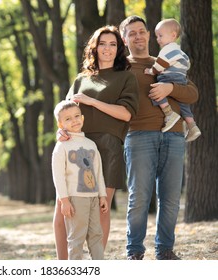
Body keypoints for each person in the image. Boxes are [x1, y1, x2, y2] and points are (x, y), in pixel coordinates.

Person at [53, 25, 139, 259]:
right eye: (103, 44)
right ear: (95, 47)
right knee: (64, 209)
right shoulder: (82, 79)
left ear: (119, 49)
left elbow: (126, 114)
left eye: (113, 44)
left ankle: (95, 266)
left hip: (107, 147)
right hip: (76, 146)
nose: (107, 49)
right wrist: (60, 133)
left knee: (101, 208)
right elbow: (64, 112)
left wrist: (92, 102)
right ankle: (65, 267)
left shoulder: (126, 78)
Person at [119, 15, 199, 260]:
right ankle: (135, 251)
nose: (138, 36)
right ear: (124, 39)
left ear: (148, 35)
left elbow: (193, 93)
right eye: (131, 33)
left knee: (171, 198)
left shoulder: (166, 60)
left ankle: (165, 249)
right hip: (138, 136)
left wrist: (170, 89)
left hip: (174, 136)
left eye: (141, 31)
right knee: (140, 197)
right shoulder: (120, 68)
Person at [52, 100, 108, 260]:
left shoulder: (91, 144)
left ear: (82, 118)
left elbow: (98, 172)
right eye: (68, 119)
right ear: (60, 123)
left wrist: (102, 195)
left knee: (96, 235)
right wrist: (64, 201)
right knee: (76, 239)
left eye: (77, 116)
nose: (74, 120)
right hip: (75, 199)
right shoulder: (61, 147)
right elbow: (58, 177)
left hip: (92, 198)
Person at [144, 18, 201, 142]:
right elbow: (187, 65)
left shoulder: (168, 49)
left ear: (173, 35)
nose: (158, 39)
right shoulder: (180, 52)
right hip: (180, 78)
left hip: (169, 77)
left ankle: (169, 113)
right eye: (156, 36)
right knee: (183, 104)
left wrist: (151, 71)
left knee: (156, 91)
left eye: (160, 35)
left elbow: (160, 64)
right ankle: (192, 125)